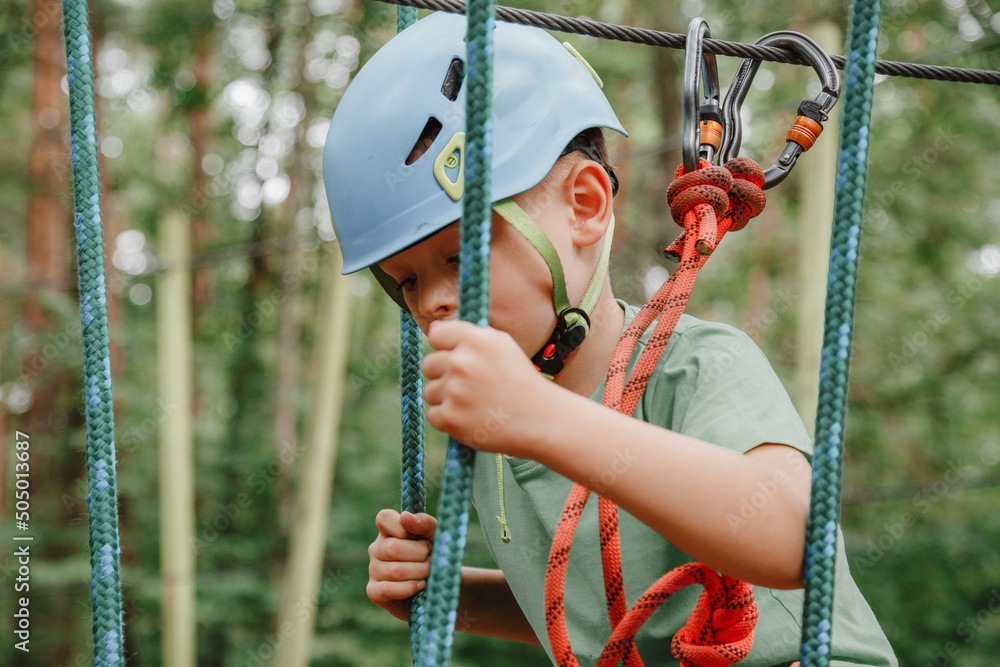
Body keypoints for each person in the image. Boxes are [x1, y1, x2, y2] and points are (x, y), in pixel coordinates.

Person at [323, 12, 896, 667]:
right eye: (405, 282)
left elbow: (799, 539)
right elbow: (596, 614)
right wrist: (451, 595)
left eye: (458, 256)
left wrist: (537, 417)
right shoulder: (495, 444)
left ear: (585, 206)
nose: (432, 302)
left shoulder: (697, 365)